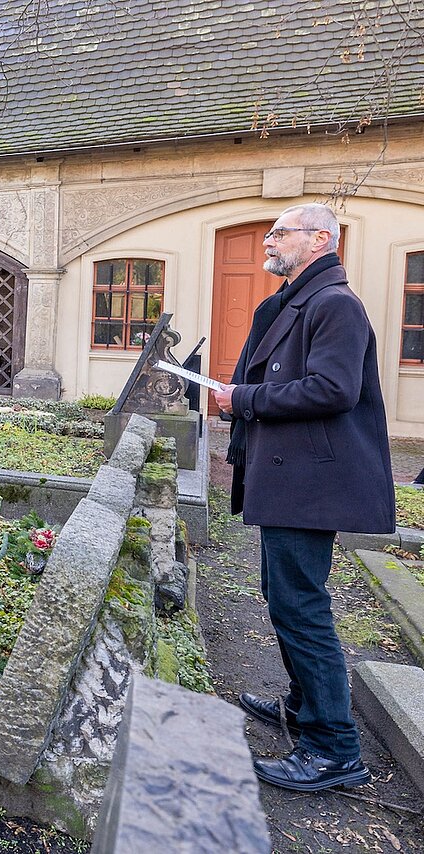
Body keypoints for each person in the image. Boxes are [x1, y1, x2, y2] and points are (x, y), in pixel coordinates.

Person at [212, 202, 395, 793]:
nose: (269, 240)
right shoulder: (298, 300)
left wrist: (244, 400)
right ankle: (302, 704)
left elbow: (333, 389)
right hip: (292, 479)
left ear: (320, 238)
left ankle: (335, 750)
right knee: (285, 596)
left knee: (301, 607)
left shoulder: (335, 304)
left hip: (311, 482)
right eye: (270, 231)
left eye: (280, 232)